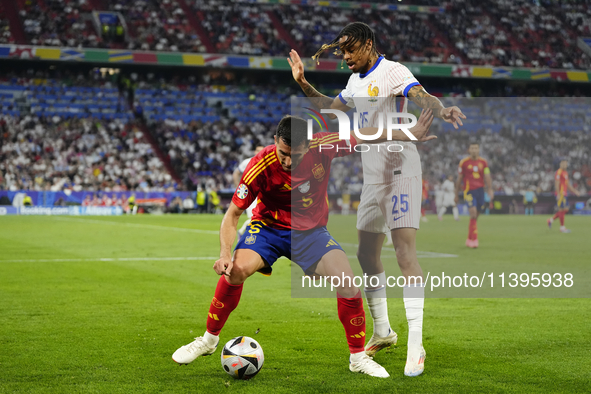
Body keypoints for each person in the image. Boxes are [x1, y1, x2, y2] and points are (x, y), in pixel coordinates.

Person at [171, 113, 435, 378]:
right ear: (275, 140)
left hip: (311, 233)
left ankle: (357, 358)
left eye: (294, 155)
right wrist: (225, 255)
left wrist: (409, 132)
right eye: (283, 153)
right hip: (268, 229)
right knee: (236, 270)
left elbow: (366, 133)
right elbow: (232, 215)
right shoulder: (260, 164)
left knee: (348, 284)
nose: (287, 161)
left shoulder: (324, 146)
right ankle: (208, 341)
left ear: (308, 146)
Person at [288, 21, 465, 377]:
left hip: (402, 170)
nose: (346, 57)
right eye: (343, 52)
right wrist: (303, 82)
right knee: (366, 254)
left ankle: (416, 345)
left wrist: (441, 110)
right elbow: (327, 106)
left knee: (404, 253)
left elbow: (422, 96)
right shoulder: (354, 83)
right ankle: (383, 331)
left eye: (351, 50)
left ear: (368, 44)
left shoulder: (393, 71)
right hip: (373, 177)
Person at [455, 143, 494, 248]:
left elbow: (487, 176)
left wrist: (490, 189)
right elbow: (459, 179)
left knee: (475, 216)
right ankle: (475, 240)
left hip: (480, 191)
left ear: (478, 149)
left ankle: (469, 238)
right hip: (469, 191)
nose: (474, 150)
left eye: (476, 148)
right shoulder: (464, 163)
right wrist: (456, 194)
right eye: (472, 148)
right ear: (469, 150)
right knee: (472, 214)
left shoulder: (483, 162)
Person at [233, 145, 265, 235]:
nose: (259, 152)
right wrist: (238, 188)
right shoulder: (248, 162)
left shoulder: (267, 162)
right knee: (253, 217)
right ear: (254, 151)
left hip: (263, 194)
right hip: (251, 193)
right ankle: (244, 233)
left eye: (261, 150)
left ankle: (242, 232)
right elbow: (236, 173)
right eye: (257, 150)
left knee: (262, 217)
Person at [547, 160, 581, 233]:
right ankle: (562, 227)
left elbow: (568, 184)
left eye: (566, 164)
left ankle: (551, 220)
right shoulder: (559, 172)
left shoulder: (566, 173)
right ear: (560, 164)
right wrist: (558, 194)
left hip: (564, 193)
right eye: (563, 164)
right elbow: (557, 183)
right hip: (561, 194)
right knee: (562, 209)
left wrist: (575, 191)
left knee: (565, 209)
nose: (565, 165)